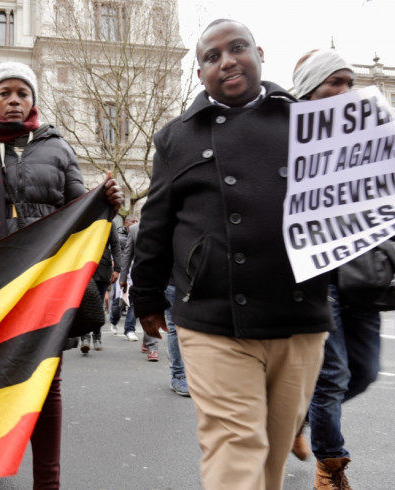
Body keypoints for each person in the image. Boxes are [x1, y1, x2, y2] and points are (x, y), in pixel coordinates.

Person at [130, 20, 330, 490]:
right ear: (201, 74)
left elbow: (349, 206)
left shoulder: (308, 122)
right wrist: (146, 300)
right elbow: (155, 225)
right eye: (212, 57)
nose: (227, 61)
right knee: (236, 447)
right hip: (213, 317)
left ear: (259, 53)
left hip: (298, 316)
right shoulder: (176, 137)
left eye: (236, 48)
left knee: (271, 457)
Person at [0, 61, 123, 489]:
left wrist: (108, 206)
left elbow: (81, 214)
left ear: (33, 101)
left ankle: (48, 482)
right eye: (4, 92)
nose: (13, 100)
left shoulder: (57, 148)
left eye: (22, 93)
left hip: (43, 286)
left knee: (46, 384)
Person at [291, 48, 381, 490]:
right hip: (316, 277)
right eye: (334, 83)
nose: (345, 91)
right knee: (334, 377)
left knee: (363, 371)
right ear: (309, 90)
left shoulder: (370, 138)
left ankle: (298, 415)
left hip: (361, 276)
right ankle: (331, 466)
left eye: (350, 83)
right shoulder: (287, 140)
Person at [80, 225, 121, 353]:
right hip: (84, 266)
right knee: (84, 304)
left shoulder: (109, 222)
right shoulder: (86, 215)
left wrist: (117, 269)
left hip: (103, 268)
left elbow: (115, 245)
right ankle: (85, 337)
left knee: (99, 304)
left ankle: (97, 337)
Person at [119, 220, 157, 354]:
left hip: (160, 275)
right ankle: (149, 342)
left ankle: (150, 343)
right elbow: (127, 255)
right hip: (139, 276)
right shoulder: (134, 229)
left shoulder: (166, 224)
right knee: (139, 306)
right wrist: (122, 278)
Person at [109, 215, 137, 334]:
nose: (135, 223)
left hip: (135, 269)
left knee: (133, 300)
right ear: (126, 223)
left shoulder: (138, 233)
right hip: (122, 269)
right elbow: (114, 249)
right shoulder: (118, 233)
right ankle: (114, 321)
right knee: (119, 300)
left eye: (137, 221)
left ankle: (129, 330)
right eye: (132, 221)